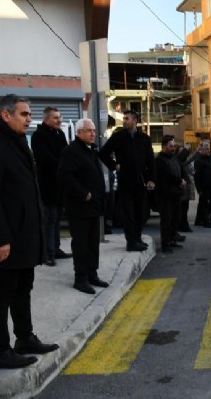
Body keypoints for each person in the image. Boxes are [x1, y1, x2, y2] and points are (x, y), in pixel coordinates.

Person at [0, 94, 59, 370]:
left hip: (26, 236)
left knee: (23, 289)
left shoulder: (19, 143)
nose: (29, 119)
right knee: (3, 293)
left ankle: (25, 338)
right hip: (7, 238)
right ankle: (0, 351)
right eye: (23, 114)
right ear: (6, 115)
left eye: (29, 114)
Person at [58, 119, 108, 295]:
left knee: (93, 242)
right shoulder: (71, 151)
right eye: (89, 131)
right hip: (79, 207)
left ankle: (92, 274)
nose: (93, 134)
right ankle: (80, 279)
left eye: (94, 131)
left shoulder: (91, 150)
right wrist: (83, 193)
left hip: (93, 206)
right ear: (79, 133)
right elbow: (65, 177)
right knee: (80, 244)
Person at [98, 110, 155, 252]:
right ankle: (131, 242)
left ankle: (137, 237)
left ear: (135, 121)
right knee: (128, 213)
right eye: (124, 118)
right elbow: (102, 153)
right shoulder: (118, 137)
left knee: (141, 212)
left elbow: (150, 160)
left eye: (127, 118)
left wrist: (151, 179)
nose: (124, 121)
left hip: (140, 180)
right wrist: (115, 166)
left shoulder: (144, 139)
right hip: (125, 180)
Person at [30, 106, 72, 266]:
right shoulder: (38, 135)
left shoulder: (60, 134)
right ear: (46, 119)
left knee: (56, 219)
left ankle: (55, 249)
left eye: (60, 117)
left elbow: (66, 154)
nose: (59, 120)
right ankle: (48, 253)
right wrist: (62, 165)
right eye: (56, 118)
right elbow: (44, 158)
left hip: (59, 185)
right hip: (47, 185)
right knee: (49, 219)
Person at [156, 135, 187, 253]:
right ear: (164, 146)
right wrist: (179, 181)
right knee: (166, 221)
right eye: (170, 146)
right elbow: (166, 175)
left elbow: (181, 169)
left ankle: (172, 240)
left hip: (176, 194)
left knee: (175, 219)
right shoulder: (160, 160)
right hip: (165, 196)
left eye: (173, 146)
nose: (173, 148)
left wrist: (183, 179)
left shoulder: (174, 158)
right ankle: (165, 244)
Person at [194, 141, 211, 228]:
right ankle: (205, 221)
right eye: (206, 148)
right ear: (201, 149)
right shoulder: (198, 161)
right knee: (204, 204)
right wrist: (199, 189)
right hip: (204, 187)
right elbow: (197, 176)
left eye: (209, 148)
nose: (208, 150)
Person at [177, 143, 198, 232]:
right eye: (181, 151)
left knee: (185, 208)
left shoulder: (184, 162)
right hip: (182, 188)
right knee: (182, 208)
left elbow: (191, 169)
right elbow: (190, 159)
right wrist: (197, 152)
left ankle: (184, 225)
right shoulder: (179, 161)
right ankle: (182, 225)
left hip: (188, 187)